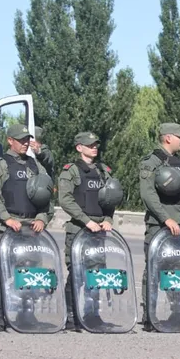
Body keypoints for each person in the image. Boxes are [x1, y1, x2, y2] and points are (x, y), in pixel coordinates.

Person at [0, 124, 53, 332]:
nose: (25, 143)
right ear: (10, 141)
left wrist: (42, 218)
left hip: (31, 227)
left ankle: (27, 314)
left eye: (27, 140)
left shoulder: (35, 166)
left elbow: (47, 194)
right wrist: (7, 219)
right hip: (7, 226)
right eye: (21, 140)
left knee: (30, 273)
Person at [139, 123, 180, 331]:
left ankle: (178, 315)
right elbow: (148, 195)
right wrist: (166, 219)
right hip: (160, 224)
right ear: (167, 138)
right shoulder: (151, 162)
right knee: (154, 269)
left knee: (176, 269)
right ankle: (149, 317)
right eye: (179, 137)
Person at [58, 131, 115, 331]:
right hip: (79, 230)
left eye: (96, 145)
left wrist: (108, 219)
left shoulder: (103, 170)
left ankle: (93, 315)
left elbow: (111, 196)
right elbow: (65, 199)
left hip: (99, 231)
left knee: (96, 275)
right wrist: (86, 220)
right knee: (76, 274)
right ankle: (71, 317)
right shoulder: (71, 171)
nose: (94, 147)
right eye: (90, 145)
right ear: (79, 147)